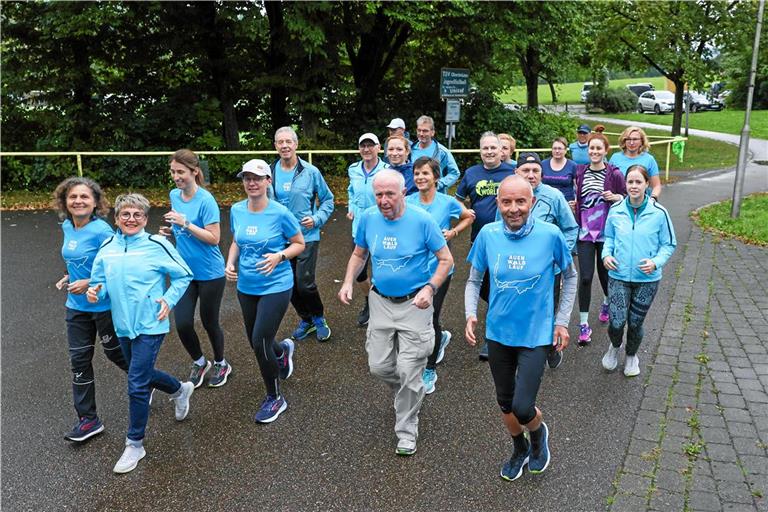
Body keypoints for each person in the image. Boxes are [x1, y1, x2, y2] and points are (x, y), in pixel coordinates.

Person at [465, 175, 577, 481]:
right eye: (506, 202)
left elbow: (569, 277)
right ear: (497, 203)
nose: (514, 208)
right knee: (505, 404)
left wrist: (562, 322)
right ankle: (519, 449)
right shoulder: (487, 234)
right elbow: (474, 279)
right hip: (499, 333)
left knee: (523, 406)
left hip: (535, 335)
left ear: (533, 203)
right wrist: (469, 314)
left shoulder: (550, 235)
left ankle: (538, 436)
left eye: (520, 201)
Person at [338, 169, 453, 456]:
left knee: (409, 369)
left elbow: (446, 259)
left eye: (390, 194)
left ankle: (406, 428)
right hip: (380, 302)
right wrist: (349, 281)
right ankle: (409, 394)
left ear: (403, 192)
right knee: (378, 366)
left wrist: (430, 288)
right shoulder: (368, 218)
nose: (384, 200)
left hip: (415, 304)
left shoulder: (423, 221)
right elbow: (359, 253)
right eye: (378, 194)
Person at [87, 193, 194, 474]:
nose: (131, 219)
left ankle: (135, 443)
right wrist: (94, 291)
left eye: (137, 215)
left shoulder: (157, 244)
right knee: (140, 373)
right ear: (117, 218)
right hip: (123, 324)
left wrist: (169, 300)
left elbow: (184, 274)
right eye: (126, 214)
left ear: (146, 219)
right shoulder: (108, 247)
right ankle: (179, 389)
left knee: (136, 383)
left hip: (151, 323)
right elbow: (99, 282)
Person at [226, 159, 306, 423]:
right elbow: (237, 240)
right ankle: (281, 351)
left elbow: (299, 244)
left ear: (268, 181)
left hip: (277, 284)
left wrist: (280, 256)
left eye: (257, 178)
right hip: (246, 285)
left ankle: (275, 398)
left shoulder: (280, 213)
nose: (251, 183)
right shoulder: (237, 210)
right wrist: (230, 262)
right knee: (256, 340)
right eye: (247, 178)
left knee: (260, 341)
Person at [53, 177, 129, 442]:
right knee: (79, 361)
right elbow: (76, 259)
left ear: (95, 202)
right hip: (76, 307)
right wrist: (68, 274)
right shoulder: (67, 226)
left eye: (84, 197)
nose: (78, 201)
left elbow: (117, 266)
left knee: (116, 355)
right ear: (65, 201)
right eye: (73, 197)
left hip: (103, 304)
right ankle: (88, 419)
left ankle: (154, 381)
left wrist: (88, 282)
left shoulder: (103, 231)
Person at [160, 149, 230, 388]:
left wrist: (185, 224)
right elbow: (182, 231)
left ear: (194, 172)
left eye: (181, 172)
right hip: (184, 272)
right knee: (182, 323)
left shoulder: (206, 200)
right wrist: (171, 231)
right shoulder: (174, 195)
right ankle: (200, 362)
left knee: (209, 321)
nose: (176, 176)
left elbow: (214, 238)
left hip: (210, 272)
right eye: (173, 171)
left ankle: (221, 363)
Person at [406, 157, 474, 394]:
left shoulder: (447, 202)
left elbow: (469, 216)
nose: (420, 178)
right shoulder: (407, 201)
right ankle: (440, 338)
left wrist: (453, 231)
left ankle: (430, 369)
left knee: (429, 318)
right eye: (416, 173)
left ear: (436, 176)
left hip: (440, 270)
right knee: (415, 317)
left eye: (425, 173)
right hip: (414, 271)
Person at [601, 165, 676, 376]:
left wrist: (656, 262)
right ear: (625, 184)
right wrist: (606, 255)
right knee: (616, 322)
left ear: (646, 185)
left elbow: (669, 244)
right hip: (618, 276)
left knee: (635, 322)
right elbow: (609, 239)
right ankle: (614, 347)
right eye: (630, 182)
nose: (634, 186)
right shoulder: (615, 210)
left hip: (647, 279)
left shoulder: (659, 213)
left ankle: (632, 355)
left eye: (638, 182)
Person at [514, 152, 578, 370]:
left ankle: (549, 347)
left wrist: (559, 257)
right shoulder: (509, 194)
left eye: (536, 171)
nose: (531, 175)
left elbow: (570, 229)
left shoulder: (554, 196)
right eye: (526, 170)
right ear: (517, 172)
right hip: (518, 268)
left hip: (548, 270)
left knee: (546, 310)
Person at [456, 131, 517, 360]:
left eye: (494, 148)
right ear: (480, 150)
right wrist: (463, 212)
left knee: (499, 285)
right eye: (485, 148)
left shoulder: (512, 172)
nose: (490, 152)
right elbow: (458, 200)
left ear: (502, 150)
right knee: (482, 286)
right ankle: (503, 312)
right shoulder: (472, 173)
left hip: (507, 240)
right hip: (479, 238)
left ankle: (493, 339)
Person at [270, 126, 335, 342]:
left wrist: (316, 219)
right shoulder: (270, 172)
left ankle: (318, 318)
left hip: (307, 235)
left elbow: (328, 199)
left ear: (296, 144)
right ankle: (306, 319)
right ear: (275, 146)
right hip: (281, 239)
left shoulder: (310, 172)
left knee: (304, 282)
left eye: (289, 141)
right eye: (280, 142)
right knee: (288, 284)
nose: (285, 145)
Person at [574, 133, 626, 345]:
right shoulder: (580, 172)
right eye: (591, 149)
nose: (594, 152)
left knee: (605, 277)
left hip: (606, 233)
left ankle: (606, 302)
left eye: (598, 149)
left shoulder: (614, 174)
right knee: (585, 277)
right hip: (585, 233)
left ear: (606, 151)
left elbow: (626, 198)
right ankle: (584, 325)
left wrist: (616, 197)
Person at [347, 133, 390, 327]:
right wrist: (351, 206)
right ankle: (370, 300)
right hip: (359, 228)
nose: (366, 149)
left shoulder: (386, 170)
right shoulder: (353, 169)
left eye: (370, 145)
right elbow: (351, 190)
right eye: (362, 145)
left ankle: (387, 308)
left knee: (385, 269)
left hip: (382, 227)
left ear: (378, 147)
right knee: (359, 272)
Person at [609, 126, 663, 200]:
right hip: (620, 202)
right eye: (628, 139)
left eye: (635, 139)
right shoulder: (615, 158)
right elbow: (608, 182)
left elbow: (656, 185)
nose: (631, 142)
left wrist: (653, 198)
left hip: (643, 202)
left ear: (642, 141)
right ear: (624, 141)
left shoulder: (649, 159)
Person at [410, 115, 460, 193]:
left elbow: (455, 173)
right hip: (414, 196)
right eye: (419, 130)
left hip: (436, 197)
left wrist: (439, 184)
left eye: (425, 131)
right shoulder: (410, 150)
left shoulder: (442, 151)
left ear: (432, 132)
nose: (421, 134)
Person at [541, 137, 577, 202]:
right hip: (546, 202)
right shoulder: (543, 164)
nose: (557, 151)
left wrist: (576, 201)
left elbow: (577, 187)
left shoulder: (573, 165)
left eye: (560, 148)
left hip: (567, 204)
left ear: (565, 150)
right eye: (554, 148)